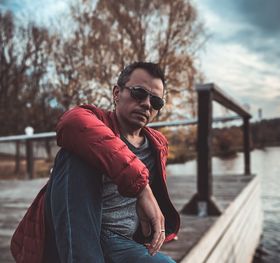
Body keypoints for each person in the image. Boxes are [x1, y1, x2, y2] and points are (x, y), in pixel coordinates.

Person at [11, 62, 180, 263]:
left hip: (122, 243)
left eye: (156, 101)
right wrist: (141, 186)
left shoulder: (157, 145)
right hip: (81, 235)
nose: (147, 104)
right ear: (117, 93)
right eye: (138, 93)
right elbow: (71, 123)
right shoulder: (94, 122)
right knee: (76, 152)